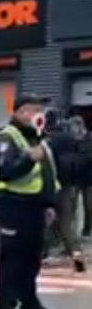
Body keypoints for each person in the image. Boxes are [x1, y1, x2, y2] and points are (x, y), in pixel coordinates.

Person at [0, 94, 61, 309]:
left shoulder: (38, 139)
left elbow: (47, 175)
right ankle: (4, 307)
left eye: (40, 110)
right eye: (31, 110)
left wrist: (49, 204)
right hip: (13, 205)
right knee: (12, 258)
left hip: (35, 207)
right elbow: (5, 170)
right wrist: (28, 158)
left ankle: (29, 302)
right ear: (18, 113)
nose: (37, 115)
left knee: (32, 258)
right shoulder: (6, 138)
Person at [48, 116, 88, 272]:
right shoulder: (72, 143)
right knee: (67, 224)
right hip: (71, 187)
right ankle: (76, 260)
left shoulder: (50, 142)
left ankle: (77, 262)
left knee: (58, 224)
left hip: (56, 187)